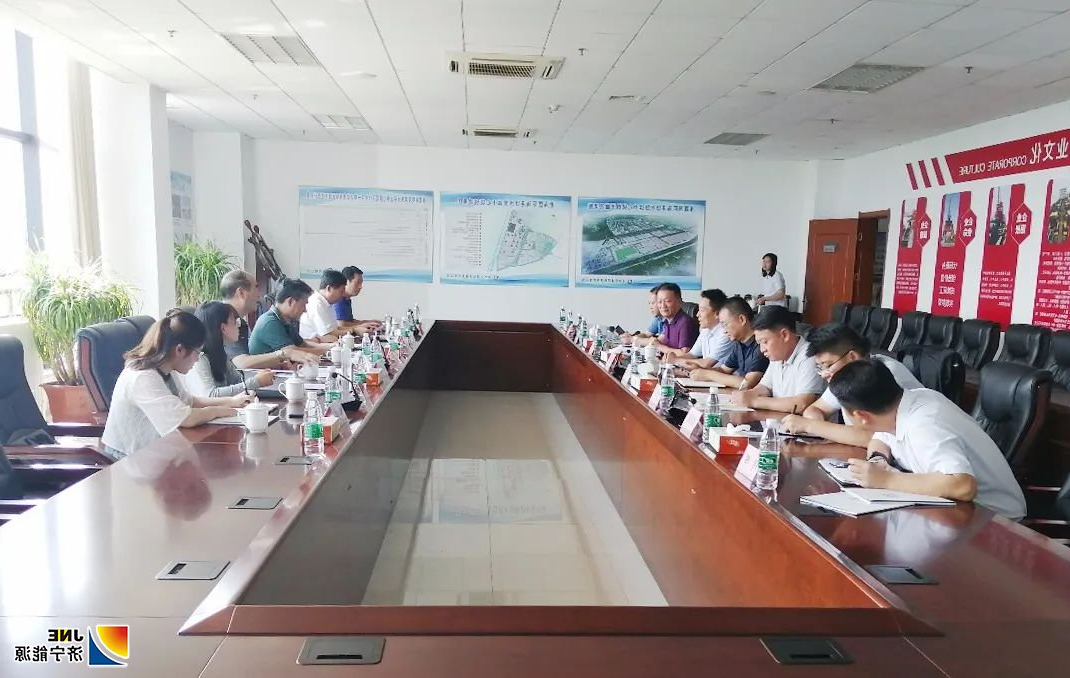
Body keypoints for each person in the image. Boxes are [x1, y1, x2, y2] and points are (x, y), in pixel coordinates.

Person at [829, 359, 1026, 521]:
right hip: (956, 512)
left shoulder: (924, 425)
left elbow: (963, 486)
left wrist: (886, 479)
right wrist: (877, 460)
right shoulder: (901, 404)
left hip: (996, 523)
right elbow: (881, 438)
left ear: (862, 416)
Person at [100, 310, 252, 461]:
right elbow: (185, 418)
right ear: (179, 349)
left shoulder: (166, 368)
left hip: (155, 452)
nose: (198, 359)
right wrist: (220, 411)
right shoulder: (143, 377)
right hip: (128, 459)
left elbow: (189, 401)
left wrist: (232, 401)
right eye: (198, 352)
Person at [781, 324, 922, 446]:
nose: (824, 374)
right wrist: (819, 428)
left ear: (852, 357)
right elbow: (814, 409)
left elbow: (876, 437)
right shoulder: (849, 377)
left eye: (828, 365)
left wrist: (812, 426)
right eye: (820, 367)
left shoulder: (881, 375)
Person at [730, 305, 826, 413]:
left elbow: (801, 403)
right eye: (759, 343)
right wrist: (747, 395)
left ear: (784, 335)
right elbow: (765, 387)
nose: (762, 349)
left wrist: (754, 401)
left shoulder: (810, 356)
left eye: (765, 342)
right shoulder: (778, 355)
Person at [219, 270, 315, 369]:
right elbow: (241, 363)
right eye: (256, 287)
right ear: (241, 293)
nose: (259, 294)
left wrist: (277, 363)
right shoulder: (222, 318)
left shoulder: (239, 322)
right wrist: (285, 353)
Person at [188, 301, 275, 398]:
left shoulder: (220, 353)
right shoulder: (200, 358)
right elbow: (211, 395)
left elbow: (238, 381)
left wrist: (262, 377)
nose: (238, 326)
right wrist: (256, 381)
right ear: (223, 328)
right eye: (235, 322)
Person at [689, 296, 768, 388]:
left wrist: (708, 375)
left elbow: (747, 383)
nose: (724, 331)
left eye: (725, 324)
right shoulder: (739, 343)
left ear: (742, 319)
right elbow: (724, 370)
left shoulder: (761, 345)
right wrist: (700, 370)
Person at [249, 278, 332, 356]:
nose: (305, 310)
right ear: (290, 301)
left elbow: (303, 344)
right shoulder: (270, 322)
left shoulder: (286, 321)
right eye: (303, 305)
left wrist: (331, 346)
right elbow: (292, 352)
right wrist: (327, 350)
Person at [659, 288, 732, 369]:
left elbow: (706, 363)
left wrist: (675, 360)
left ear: (717, 314)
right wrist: (670, 359)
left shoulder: (726, 333)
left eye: (702, 310)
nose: (697, 315)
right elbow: (692, 355)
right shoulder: (705, 330)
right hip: (706, 374)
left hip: (722, 376)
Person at [299, 269, 350, 340]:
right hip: (312, 343)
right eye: (341, 292)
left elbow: (335, 328)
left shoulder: (327, 303)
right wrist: (352, 332)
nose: (343, 295)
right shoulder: (316, 303)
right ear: (328, 288)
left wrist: (354, 330)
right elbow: (328, 334)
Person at [332, 266, 381, 334]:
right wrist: (362, 325)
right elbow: (341, 325)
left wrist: (368, 322)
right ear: (346, 282)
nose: (360, 286)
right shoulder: (338, 300)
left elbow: (350, 321)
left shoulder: (347, 299)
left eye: (361, 283)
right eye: (358, 282)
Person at [653, 282, 699, 350]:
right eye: (659, 302)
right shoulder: (667, 321)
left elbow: (684, 352)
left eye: (667, 301)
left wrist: (661, 347)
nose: (663, 306)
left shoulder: (685, 322)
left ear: (679, 301)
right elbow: (658, 342)